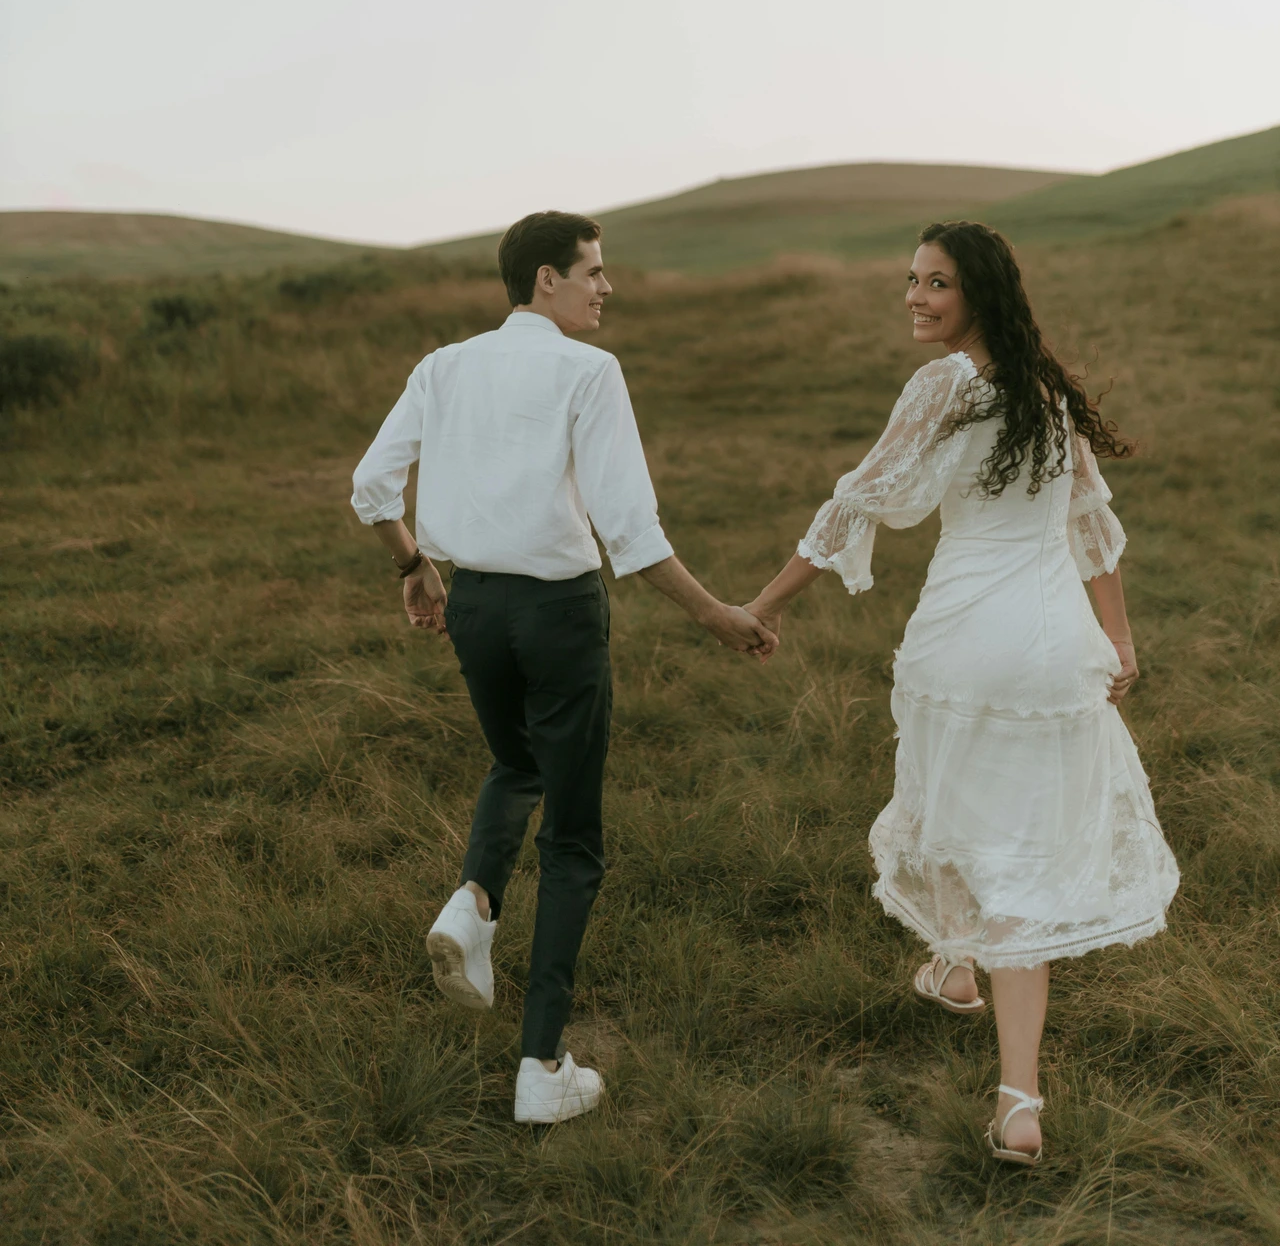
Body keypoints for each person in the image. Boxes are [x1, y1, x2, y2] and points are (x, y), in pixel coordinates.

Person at [747, 220, 1179, 1167]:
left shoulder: (945, 383)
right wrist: (1118, 636)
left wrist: (767, 603)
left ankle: (975, 1001)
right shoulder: (1043, 391)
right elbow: (1090, 525)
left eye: (935, 282)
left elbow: (862, 499)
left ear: (976, 294)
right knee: (1016, 835)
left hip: (967, 637)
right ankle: (988, 1040)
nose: (914, 295)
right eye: (910, 278)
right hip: (1056, 645)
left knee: (955, 806)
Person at [351, 210, 777, 1127]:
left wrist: (412, 566)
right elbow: (628, 527)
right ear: (546, 279)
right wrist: (716, 615)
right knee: (574, 839)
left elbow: (371, 487)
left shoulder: (444, 365)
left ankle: (473, 902)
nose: (605, 286)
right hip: (557, 616)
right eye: (593, 271)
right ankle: (541, 1067)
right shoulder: (590, 371)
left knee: (516, 765)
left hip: (474, 609)